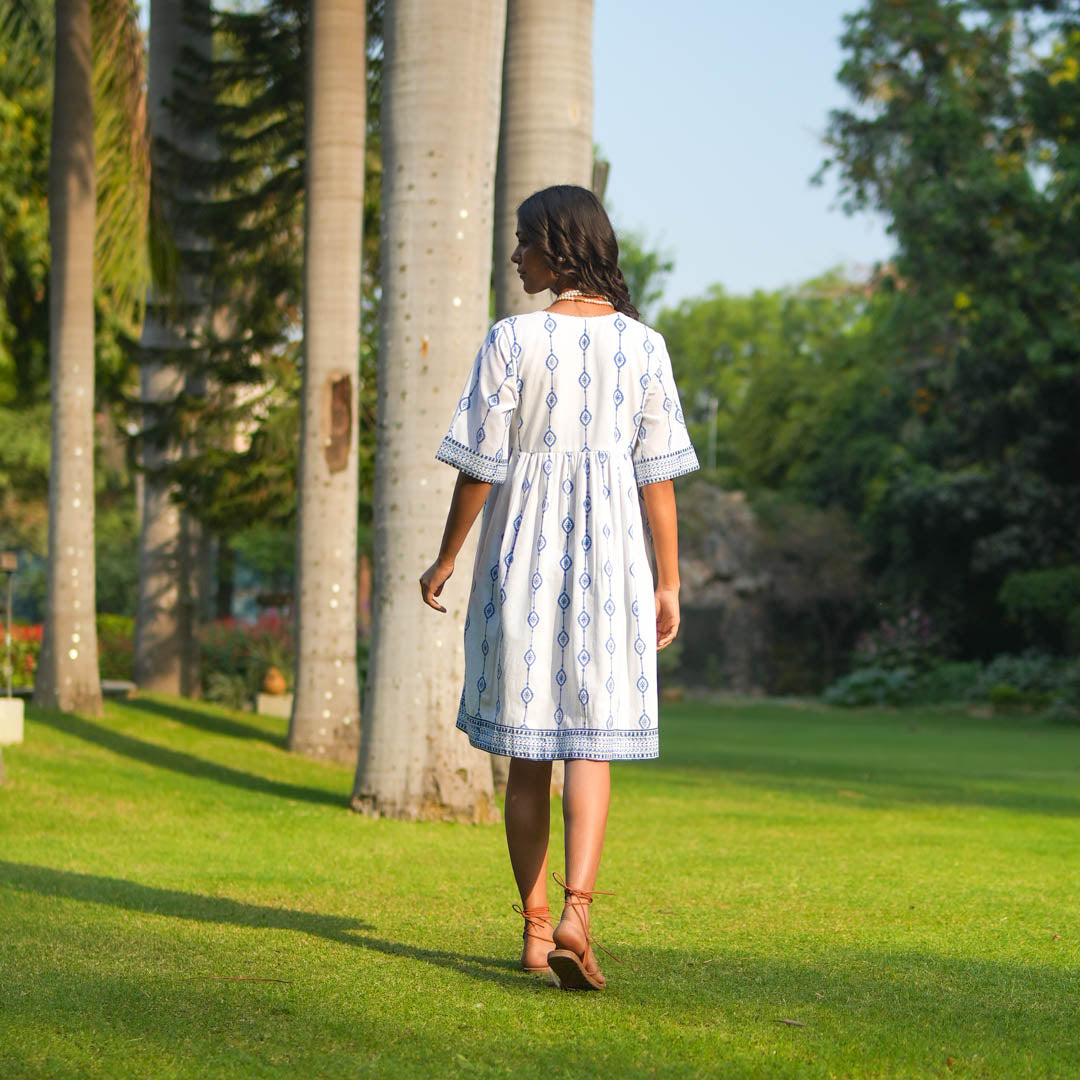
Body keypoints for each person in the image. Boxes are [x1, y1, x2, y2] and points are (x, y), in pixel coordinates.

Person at [420, 185, 698, 991]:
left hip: (523, 558)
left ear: (558, 246)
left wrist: (446, 559)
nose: (516, 258)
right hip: (616, 561)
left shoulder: (512, 340)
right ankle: (579, 908)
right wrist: (669, 583)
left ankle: (538, 930)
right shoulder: (645, 348)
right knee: (591, 741)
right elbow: (659, 483)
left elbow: (481, 465)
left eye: (523, 243)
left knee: (527, 753)